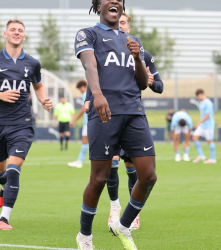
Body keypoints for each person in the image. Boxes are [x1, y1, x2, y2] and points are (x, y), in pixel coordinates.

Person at [74, 1, 157, 249]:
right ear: (98, 6)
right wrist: (96, 94)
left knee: (149, 176)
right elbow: (89, 65)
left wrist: (137, 57)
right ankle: (85, 236)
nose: (115, 2)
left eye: (119, 0)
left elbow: (143, 83)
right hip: (104, 113)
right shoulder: (87, 34)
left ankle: (122, 226)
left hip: (134, 113)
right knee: (99, 179)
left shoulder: (134, 40)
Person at [0, 19, 53, 230]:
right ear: (5, 34)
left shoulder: (33, 63)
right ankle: (2, 188)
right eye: (13, 30)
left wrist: (44, 99)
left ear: (24, 36)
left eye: (20, 30)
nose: (16, 33)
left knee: (14, 169)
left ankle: (4, 218)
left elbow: (39, 86)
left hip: (22, 123)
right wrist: (0, 95)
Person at [68, 80, 88, 168]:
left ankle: (79, 162)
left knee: (85, 141)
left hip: (88, 122)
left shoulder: (85, 94)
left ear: (82, 87)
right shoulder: (93, 93)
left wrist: (74, 120)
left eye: (80, 89)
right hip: (93, 122)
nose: (80, 91)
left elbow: (83, 108)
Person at [192, 89, 216, 164]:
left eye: (198, 96)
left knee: (210, 141)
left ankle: (213, 159)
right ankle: (201, 155)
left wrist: (198, 123)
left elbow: (207, 115)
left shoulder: (208, 103)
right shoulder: (201, 103)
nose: (197, 98)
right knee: (194, 138)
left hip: (209, 126)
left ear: (201, 94)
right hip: (202, 126)